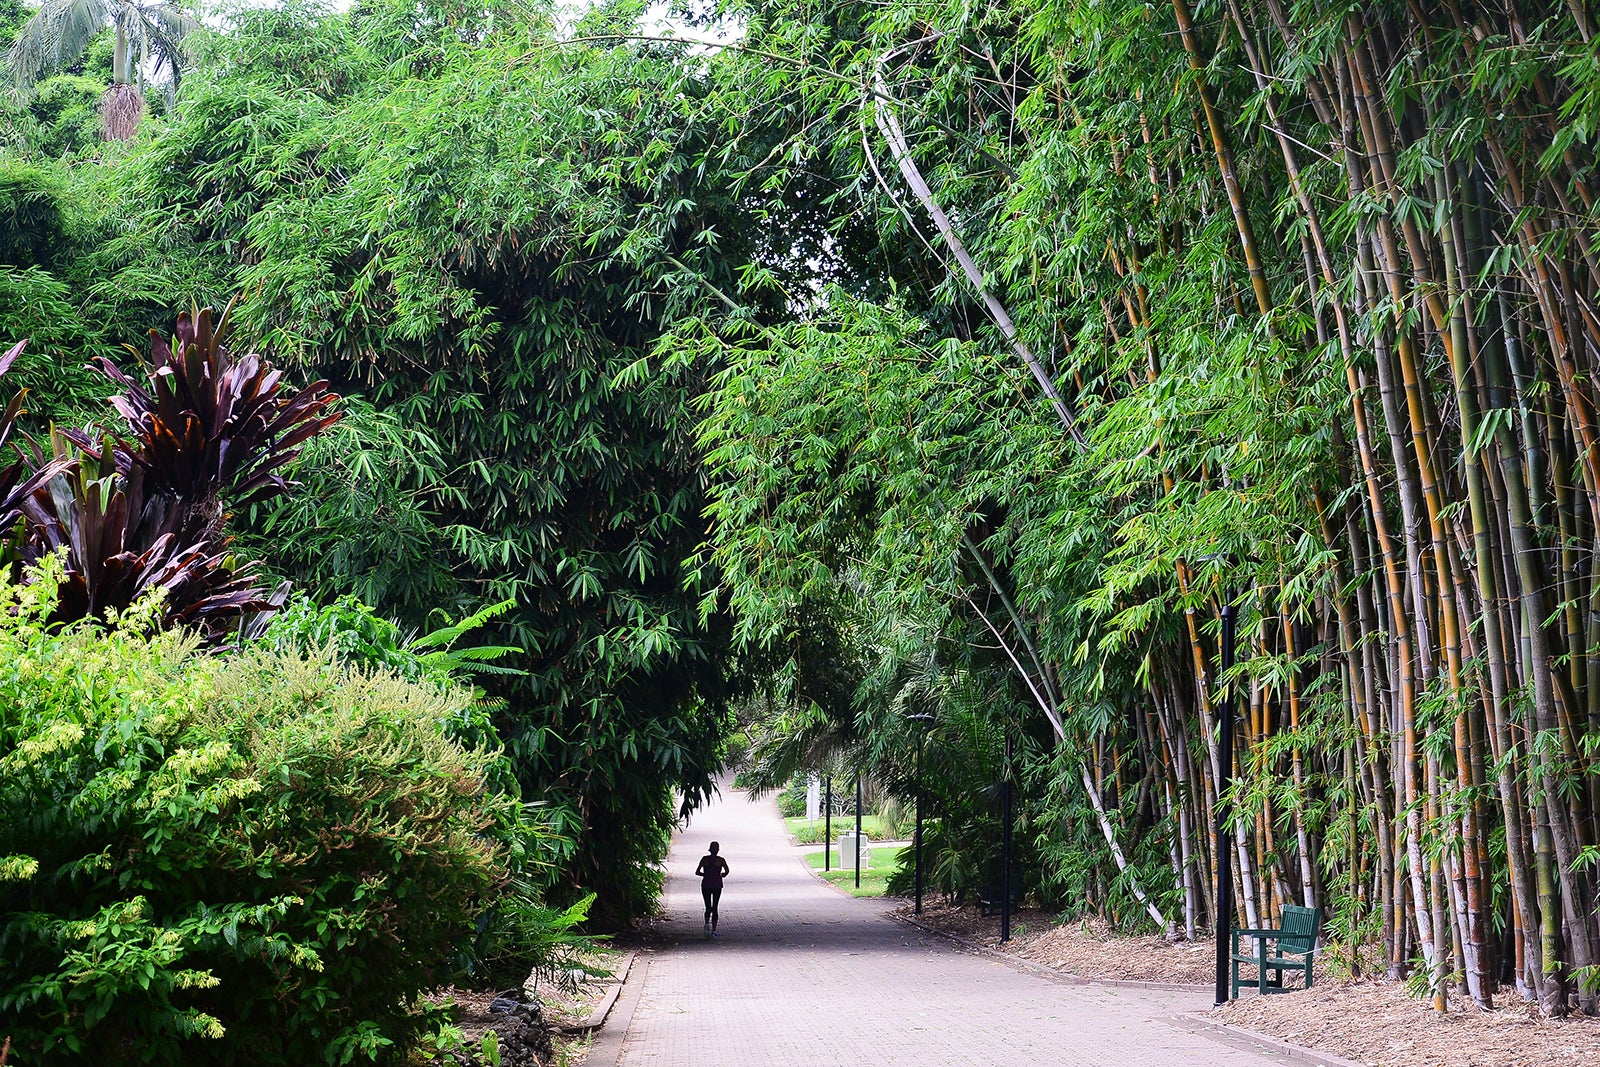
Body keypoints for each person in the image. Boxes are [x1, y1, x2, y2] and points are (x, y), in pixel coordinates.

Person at [695, 841, 729, 937]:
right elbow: (727, 871)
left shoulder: (704, 859)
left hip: (706, 884)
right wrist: (721, 875)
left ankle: (706, 925)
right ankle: (714, 930)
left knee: (708, 906)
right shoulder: (721, 860)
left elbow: (697, 872)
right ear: (718, 850)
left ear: (709, 849)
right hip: (717, 885)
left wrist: (705, 874)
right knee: (715, 907)